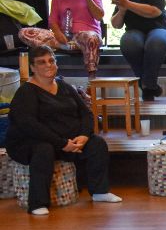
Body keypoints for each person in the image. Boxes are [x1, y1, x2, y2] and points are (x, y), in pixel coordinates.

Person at [5, 45, 123, 215]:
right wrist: (61, 143)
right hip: (29, 143)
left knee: (97, 144)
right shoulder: (26, 92)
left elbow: (86, 114)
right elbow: (30, 125)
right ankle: (37, 203)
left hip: (65, 140)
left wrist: (83, 135)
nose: (48, 65)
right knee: (43, 149)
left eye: (51, 60)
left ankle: (99, 192)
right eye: (41, 62)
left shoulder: (65, 86)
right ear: (32, 67)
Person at [18, 0, 105, 76]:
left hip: (86, 35)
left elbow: (99, 15)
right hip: (63, 37)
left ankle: (91, 78)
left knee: (91, 38)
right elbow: (52, 20)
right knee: (25, 32)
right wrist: (58, 34)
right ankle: (67, 46)